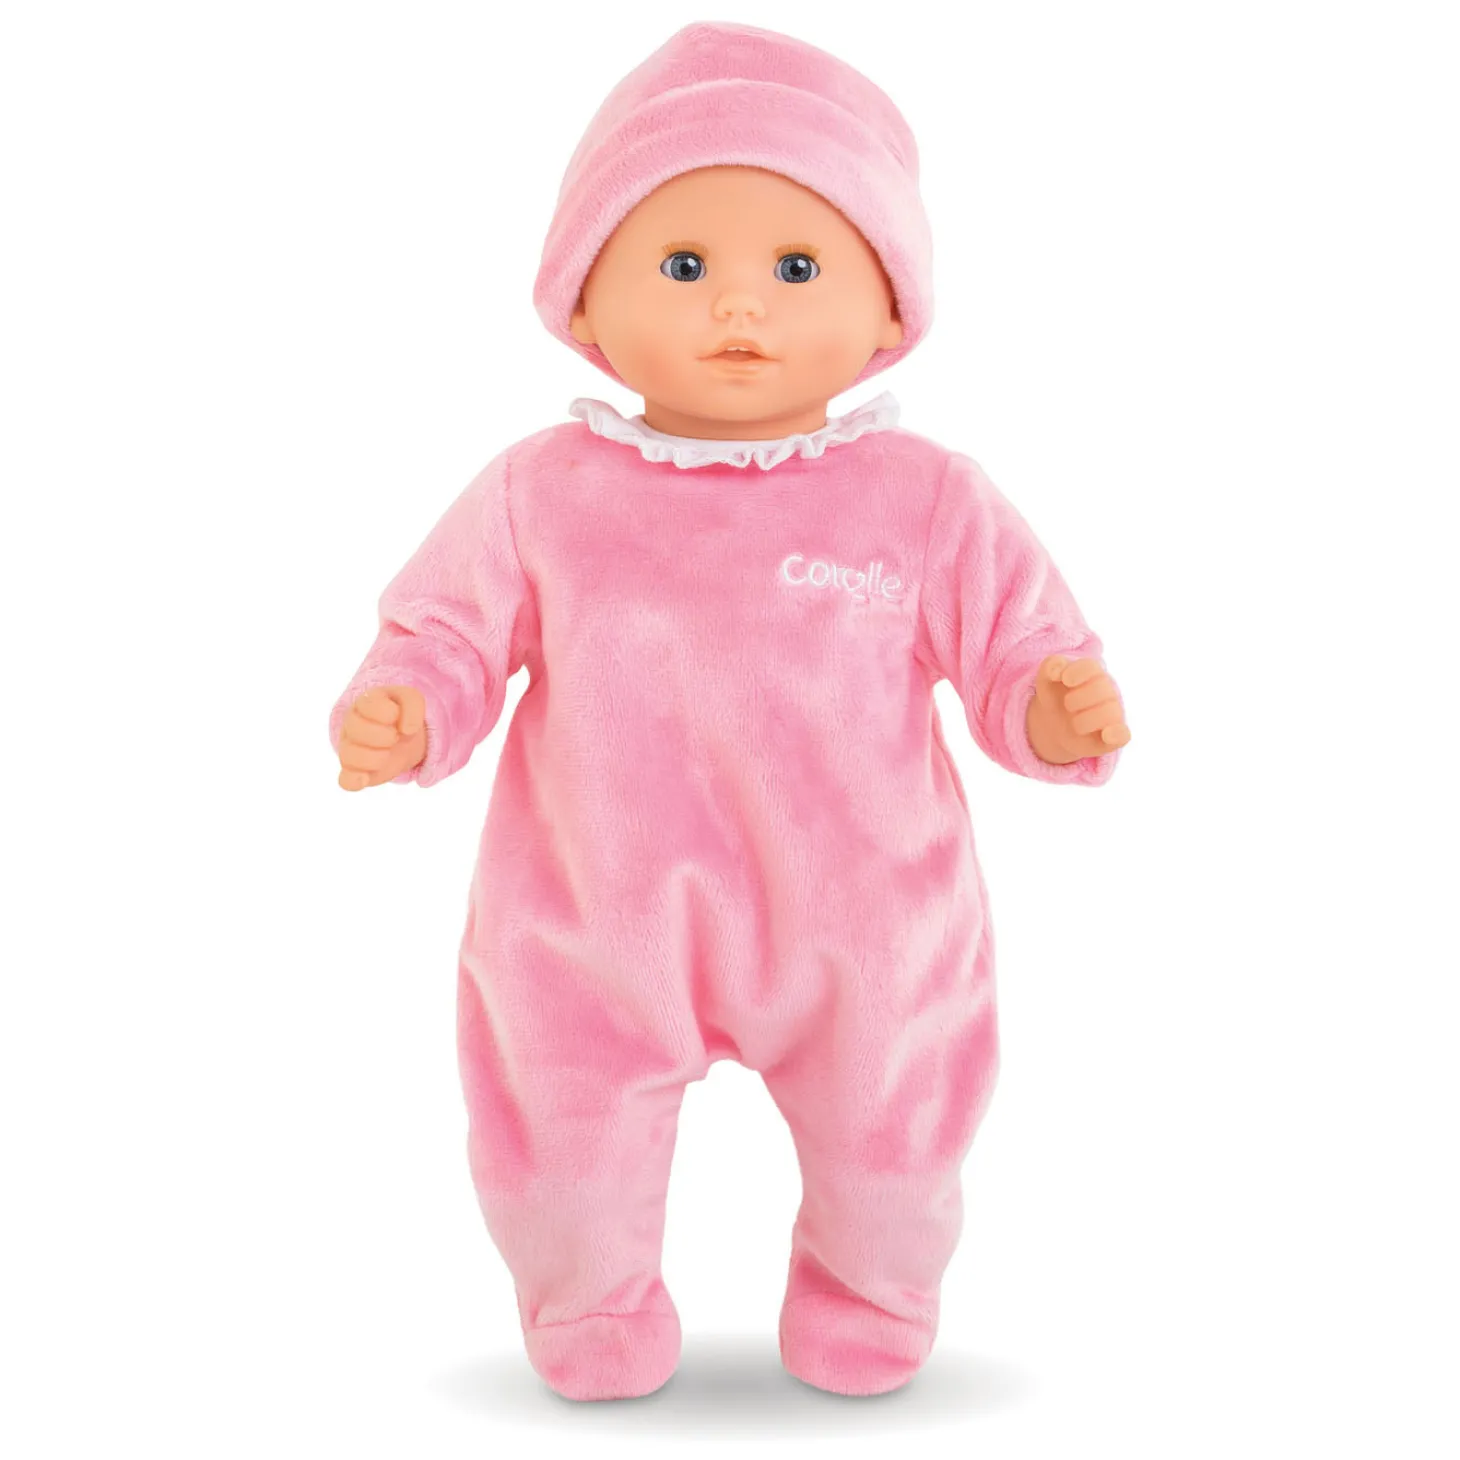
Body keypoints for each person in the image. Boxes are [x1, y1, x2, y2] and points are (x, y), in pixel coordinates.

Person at [329, 20, 1131, 1402]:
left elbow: (1019, 648)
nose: (739, 307)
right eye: (685, 265)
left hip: (867, 922)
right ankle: (586, 1306)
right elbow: (446, 629)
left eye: (798, 268)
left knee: (896, 1137)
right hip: (592, 916)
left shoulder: (924, 500)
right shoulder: (544, 492)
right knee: (558, 1139)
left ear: (889, 314)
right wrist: (410, 705)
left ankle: (872, 1296)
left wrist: (1050, 712)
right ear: (585, 301)